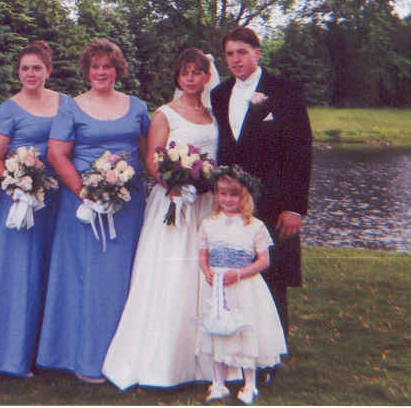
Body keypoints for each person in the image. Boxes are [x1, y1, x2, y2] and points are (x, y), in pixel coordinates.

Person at [102, 48, 220, 389]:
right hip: (174, 201)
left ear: (207, 76)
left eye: (196, 72)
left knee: (202, 272)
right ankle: (162, 361)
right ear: (178, 77)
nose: (190, 78)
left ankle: (206, 360)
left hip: (205, 202)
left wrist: (204, 183)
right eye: (184, 72)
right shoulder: (165, 113)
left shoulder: (214, 115)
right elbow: (153, 161)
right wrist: (176, 185)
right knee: (171, 272)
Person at [36, 38, 150, 383]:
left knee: (121, 275)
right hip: (83, 205)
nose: (101, 72)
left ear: (118, 70)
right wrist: (86, 193)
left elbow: (146, 154)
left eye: (107, 66)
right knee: (85, 277)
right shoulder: (71, 108)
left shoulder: (137, 107)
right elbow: (57, 154)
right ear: (87, 71)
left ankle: (126, 356)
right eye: (95, 66)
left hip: (127, 205)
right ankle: (84, 356)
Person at [209, 27, 312, 359]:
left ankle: (271, 356)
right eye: (229, 54)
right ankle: (236, 351)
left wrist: (295, 207)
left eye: (241, 52)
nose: (235, 59)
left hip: (274, 201)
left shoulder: (285, 90)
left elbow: (300, 151)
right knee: (236, 276)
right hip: (232, 204)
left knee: (272, 279)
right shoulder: (220, 94)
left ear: (257, 52)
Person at [0, 41, 69, 377]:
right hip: (20, 201)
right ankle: (11, 355)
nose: (31, 74)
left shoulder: (66, 104)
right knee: (20, 272)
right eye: (25, 68)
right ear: (18, 72)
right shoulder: (7, 109)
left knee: (52, 270)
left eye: (37, 68)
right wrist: (16, 185)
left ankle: (51, 351)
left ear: (48, 70)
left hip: (56, 198)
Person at [197, 166, 287, 404]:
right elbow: (202, 254)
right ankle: (218, 384)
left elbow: (264, 261)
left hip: (244, 287)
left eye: (233, 195)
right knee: (217, 330)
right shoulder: (209, 223)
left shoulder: (254, 226)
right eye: (222, 194)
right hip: (218, 287)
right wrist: (207, 272)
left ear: (244, 196)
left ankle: (250, 385)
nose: (227, 199)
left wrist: (239, 274)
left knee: (245, 332)